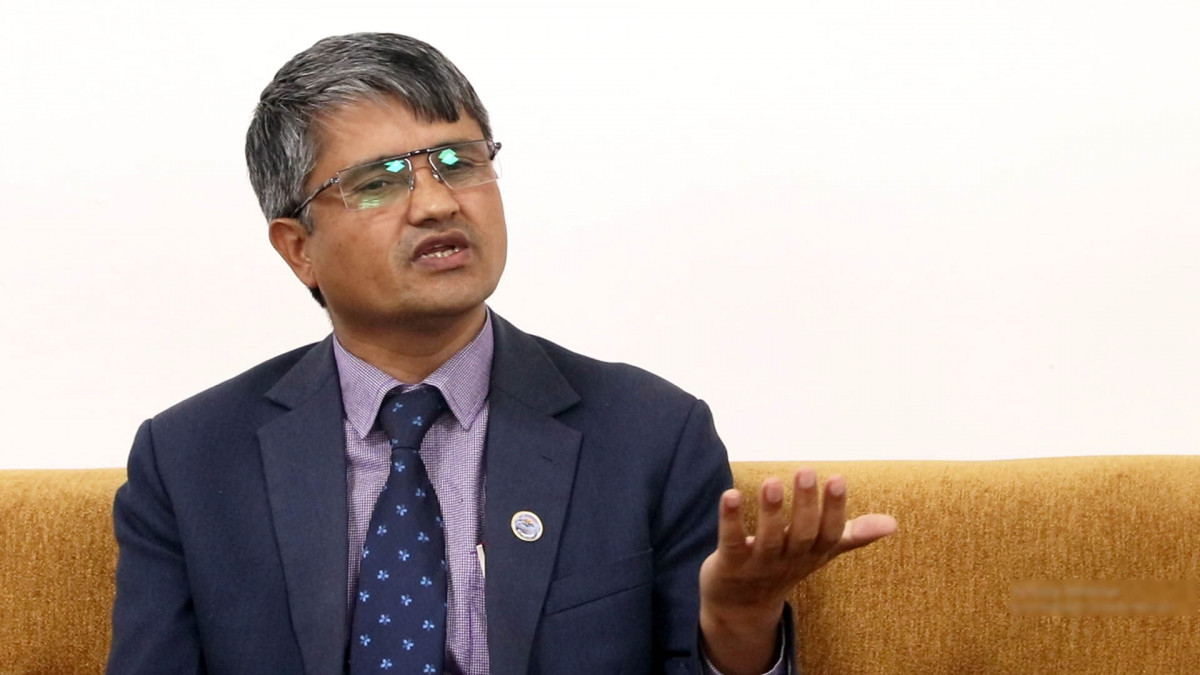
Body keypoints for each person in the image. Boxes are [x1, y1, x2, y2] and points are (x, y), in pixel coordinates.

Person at [107, 33, 897, 675]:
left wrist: (738, 624)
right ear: (297, 248)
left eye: (459, 161)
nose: (437, 202)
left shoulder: (650, 434)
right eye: (379, 181)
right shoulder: (191, 461)